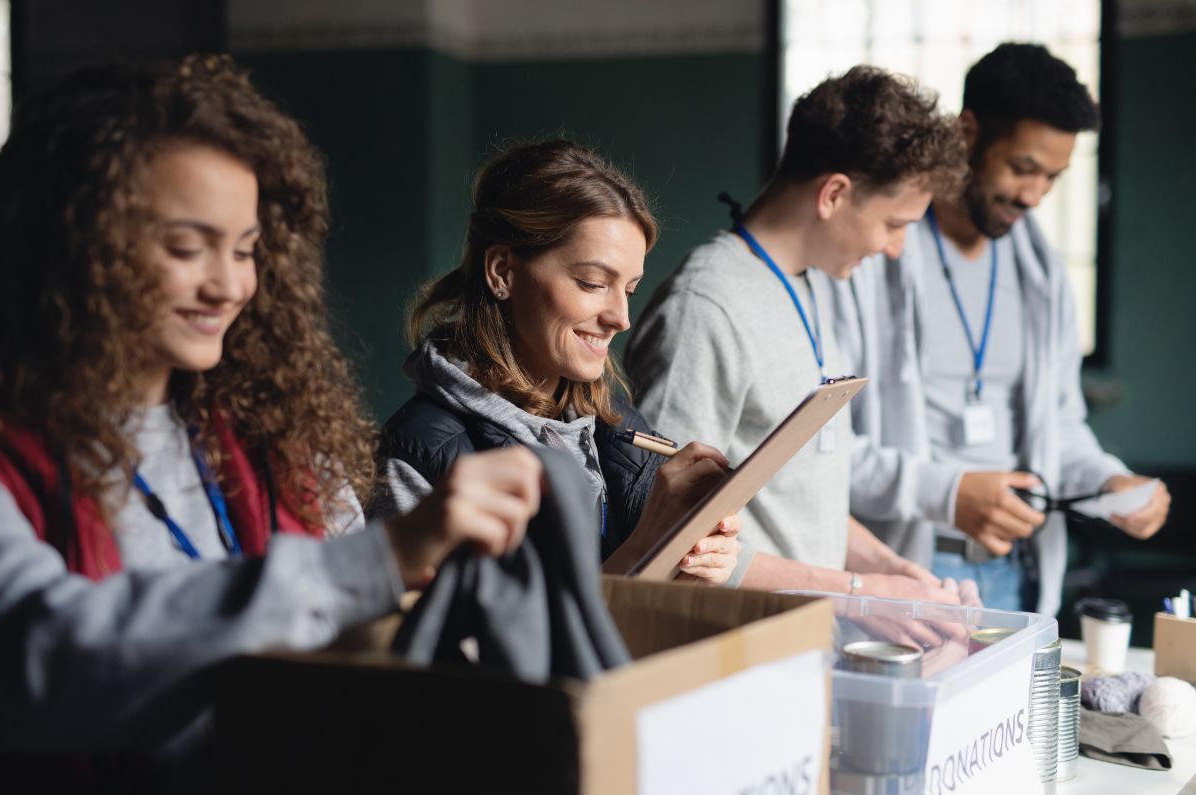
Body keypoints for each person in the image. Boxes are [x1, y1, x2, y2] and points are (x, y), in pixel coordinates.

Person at [0, 56, 543, 791]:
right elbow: (46, 660)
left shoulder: (271, 430)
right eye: (186, 248)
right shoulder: (10, 451)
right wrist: (381, 561)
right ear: (75, 245)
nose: (227, 285)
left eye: (246, 250)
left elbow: (367, 617)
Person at [831, 43, 1171, 615]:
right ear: (968, 131)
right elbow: (826, 449)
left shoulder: (1042, 276)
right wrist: (949, 494)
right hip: (902, 569)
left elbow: (1060, 427)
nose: (1033, 196)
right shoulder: (871, 258)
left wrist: (1109, 483)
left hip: (1016, 571)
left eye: (1052, 178)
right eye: (1022, 168)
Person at [626, 67, 974, 604]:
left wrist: (889, 569)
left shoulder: (809, 285)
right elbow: (674, 537)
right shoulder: (704, 307)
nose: (896, 248)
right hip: (731, 651)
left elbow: (795, 492)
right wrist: (859, 591)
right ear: (834, 193)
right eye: (894, 224)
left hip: (799, 642)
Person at [375, 139, 742, 585]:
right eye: (591, 283)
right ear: (502, 272)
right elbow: (465, 651)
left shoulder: (617, 425)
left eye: (629, 289)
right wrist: (648, 547)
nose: (621, 319)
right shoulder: (415, 457)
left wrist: (691, 565)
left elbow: (646, 617)